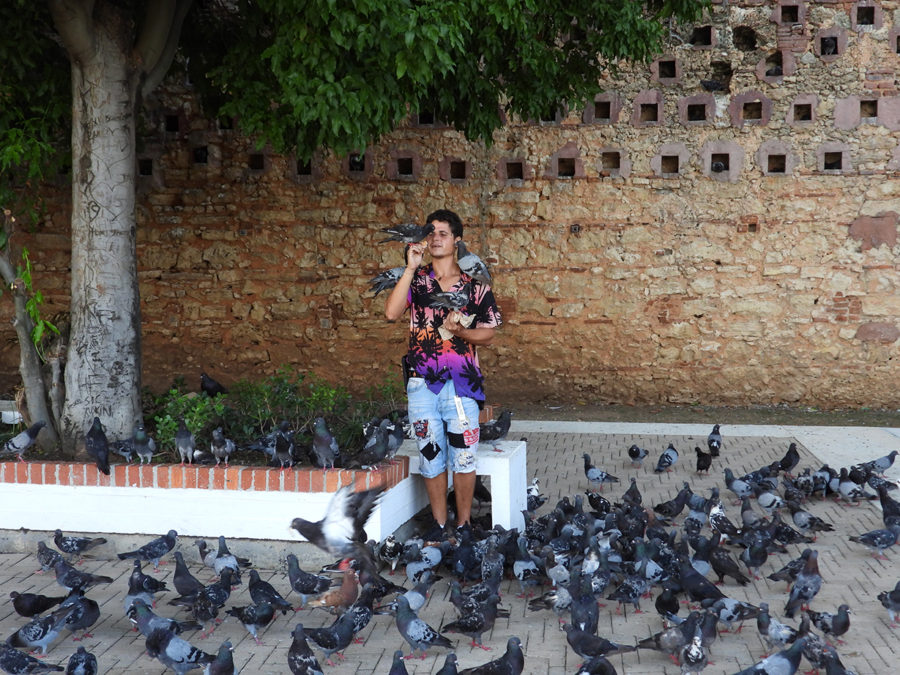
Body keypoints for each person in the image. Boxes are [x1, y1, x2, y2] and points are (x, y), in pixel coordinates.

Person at [384, 209, 502, 538]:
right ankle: (438, 526)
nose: (435, 238)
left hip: (463, 385)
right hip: (422, 385)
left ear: (457, 241)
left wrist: (462, 333)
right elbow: (391, 313)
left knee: (464, 457)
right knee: (430, 455)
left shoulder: (476, 288)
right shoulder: (416, 282)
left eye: (443, 233)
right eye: (431, 232)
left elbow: (489, 334)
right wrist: (409, 268)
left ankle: (463, 525)